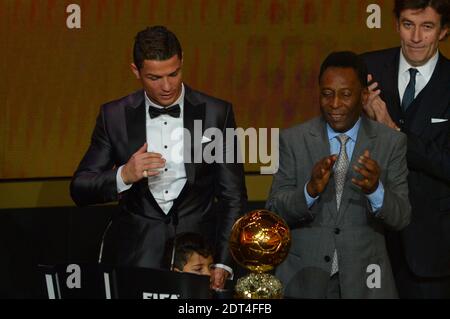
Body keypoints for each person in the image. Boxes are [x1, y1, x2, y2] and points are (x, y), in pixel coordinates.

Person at [70, 25, 247, 290]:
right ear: (136, 71)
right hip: (137, 256)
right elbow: (80, 189)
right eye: (154, 78)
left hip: (199, 260)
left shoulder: (216, 113)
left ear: (182, 61)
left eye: (173, 74)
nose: (167, 86)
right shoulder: (114, 116)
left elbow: (233, 195)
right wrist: (124, 175)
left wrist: (223, 262)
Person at [266, 51, 411, 299]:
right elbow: (274, 211)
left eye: (345, 95)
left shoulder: (391, 143)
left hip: (366, 283)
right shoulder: (293, 140)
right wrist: (309, 191)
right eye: (327, 94)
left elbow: (401, 217)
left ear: (364, 95)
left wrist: (375, 191)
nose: (334, 104)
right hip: (305, 280)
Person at [361, 0, 450, 298]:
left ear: (443, 31)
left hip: (430, 252)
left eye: (427, 27)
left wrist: (393, 130)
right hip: (366, 242)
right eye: (408, 24)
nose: (415, 37)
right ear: (397, 24)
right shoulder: (366, 71)